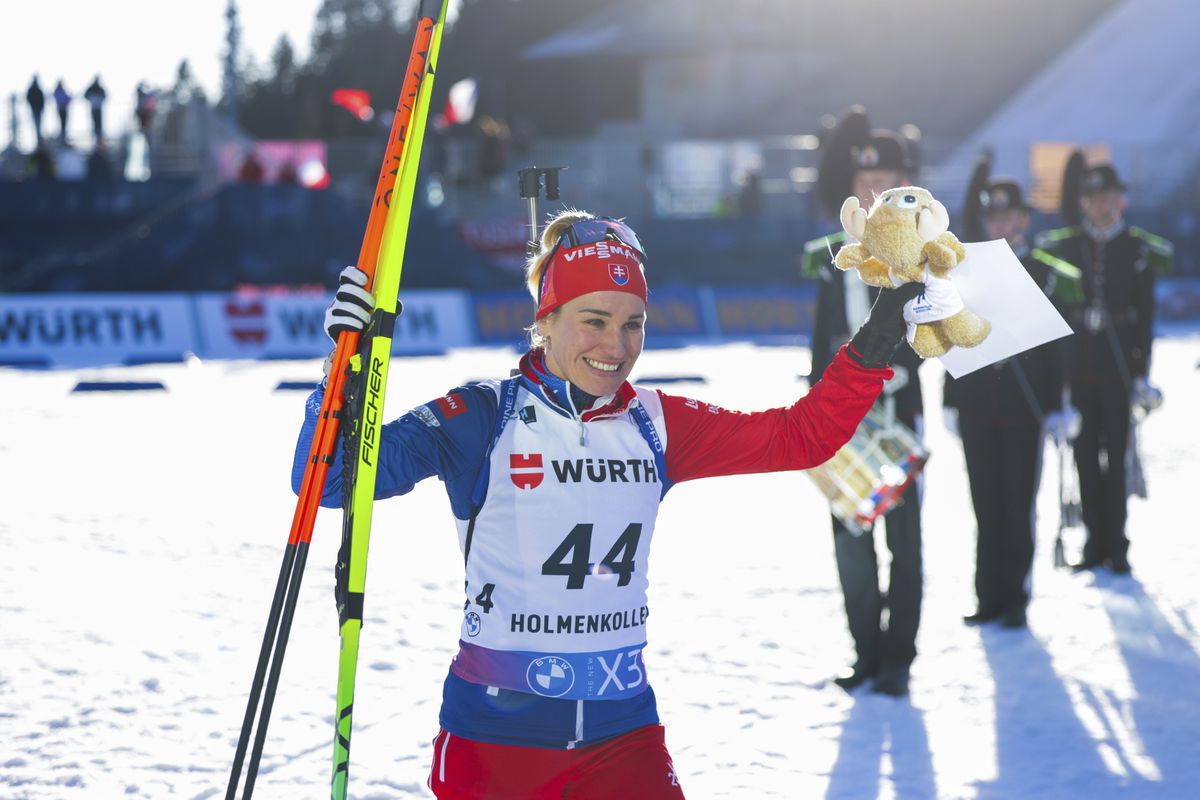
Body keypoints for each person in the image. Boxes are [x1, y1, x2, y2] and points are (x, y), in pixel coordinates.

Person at [295, 211, 922, 797]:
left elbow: (800, 436)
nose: (615, 347)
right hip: (496, 740)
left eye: (632, 324)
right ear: (546, 319)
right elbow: (327, 481)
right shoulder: (482, 415)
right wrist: (341, 370)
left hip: (622, 735)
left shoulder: (656, 423)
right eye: (594, 321)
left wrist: (883, 331)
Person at [802, 106, 926, 696]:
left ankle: (899, 658)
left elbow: (936, 338)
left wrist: (902, 369)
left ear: (905, 186)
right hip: (842, 419)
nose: (873, 192)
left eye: (885, 181)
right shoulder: (834, 259)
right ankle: (865, 654)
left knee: (904, 543)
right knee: (850, 541)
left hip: (899, 416)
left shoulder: (922, 256)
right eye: (865, 181)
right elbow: (820, 340)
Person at [947, 155, 1070, 628]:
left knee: (1018, 504)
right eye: (992, 216)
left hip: (1024, 406)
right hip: (978, 406)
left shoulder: (1041, 272)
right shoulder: (967, 271)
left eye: (1007, 215)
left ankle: (1016, 596)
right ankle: (988, 596)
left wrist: (1056, 406)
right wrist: (950, 399)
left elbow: (1056, 347)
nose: (999, 223)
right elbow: (954, 335)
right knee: (986, 504)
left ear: (1023, 220)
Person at [1034, 158, 1172, 576]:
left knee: (1117, 456)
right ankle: (1094, 542)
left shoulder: (1135, 247)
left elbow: (1144, 314)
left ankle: (1118, 542)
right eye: (1093, 198)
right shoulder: (1070, 245)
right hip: (1079, 368)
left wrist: (1142, 371)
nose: (1101, 205)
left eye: (1108, 197)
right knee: (1085, 456)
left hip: (1118, 368)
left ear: (1120, 200)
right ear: (1084, 202)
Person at [84, 75, 107, 142]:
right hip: (94, 108)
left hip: (98, 108)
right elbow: (85, 95)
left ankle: (99, 139)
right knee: (94, 123)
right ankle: (95, 138)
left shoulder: (100, 89)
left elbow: (105, 96)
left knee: (99, 124)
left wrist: (99, 99)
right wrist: (91, 98)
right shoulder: (91, 88)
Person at [26, 76, 45, 144]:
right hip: (36, 110)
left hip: (36, 110)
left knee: (37, 125)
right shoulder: (35, 90)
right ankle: (38, 141)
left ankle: (39, 140)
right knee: (37, 125)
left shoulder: (33, 90)